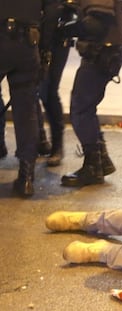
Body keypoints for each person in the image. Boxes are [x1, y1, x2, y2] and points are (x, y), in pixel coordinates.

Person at [60, 0, 122, 187]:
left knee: (80, 109)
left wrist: (65, 29)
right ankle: (101, 160)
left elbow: (96, 24)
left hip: (100, 53)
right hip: (106, 53)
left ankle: (92, 167)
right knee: (87, 108)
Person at [0, 0, 58, 197]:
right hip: (27, 41)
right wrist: (45, 48)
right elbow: (51, 11)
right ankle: (26, 177)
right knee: (26, 110)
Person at [38, 0, 77, 166]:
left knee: (49, 91)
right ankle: (40, 139)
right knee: (30, 91)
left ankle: (57, 146)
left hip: (57, 38)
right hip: (35, 34)